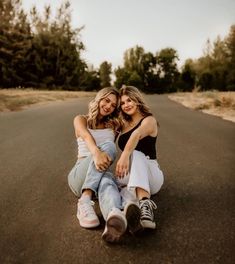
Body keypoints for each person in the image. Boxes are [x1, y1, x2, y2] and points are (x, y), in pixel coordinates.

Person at [67, 87, 139, 243]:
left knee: (106, 181)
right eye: (107, 101)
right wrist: (96, 153)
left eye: (113, 105)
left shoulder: (114, 125)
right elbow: (86, 136)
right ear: (99, 98)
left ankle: (114, 217)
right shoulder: (81, 119)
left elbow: (135, 125)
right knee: (109, 146)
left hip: (99, 174)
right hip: (78, 175)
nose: (108, 106)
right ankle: (85, 200)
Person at [115, 85, 164, 230]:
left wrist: (124, 155)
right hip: (130, 175)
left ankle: (145, 206)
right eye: (122, 103)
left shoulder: (149, 120)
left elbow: (136, 135)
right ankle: (128, 213)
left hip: (151, 176)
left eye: (129, 100)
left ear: (137, 100)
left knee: (137, 153)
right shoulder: (123, 124)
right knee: (113, 181)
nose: (126, 105)